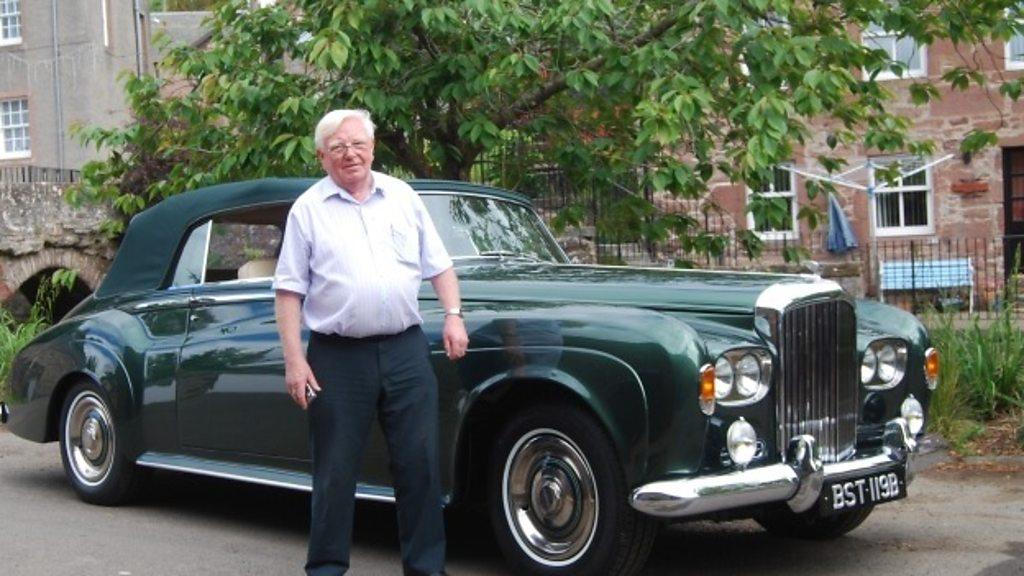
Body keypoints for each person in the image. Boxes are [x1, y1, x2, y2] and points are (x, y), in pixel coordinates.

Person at [273, 108, 469, 576]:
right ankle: (325, 569)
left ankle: (426, 570)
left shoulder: (403, 197)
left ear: (373, 148)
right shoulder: (308, 210)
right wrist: (295, 362)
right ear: (322, 157)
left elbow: (439, 266)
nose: (350, 154)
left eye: (358, 144)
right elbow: (288, 291)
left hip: (405, 351)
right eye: (338, 148)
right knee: (335, 472)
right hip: (337, 359)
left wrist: (454, 316)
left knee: (419, 467)